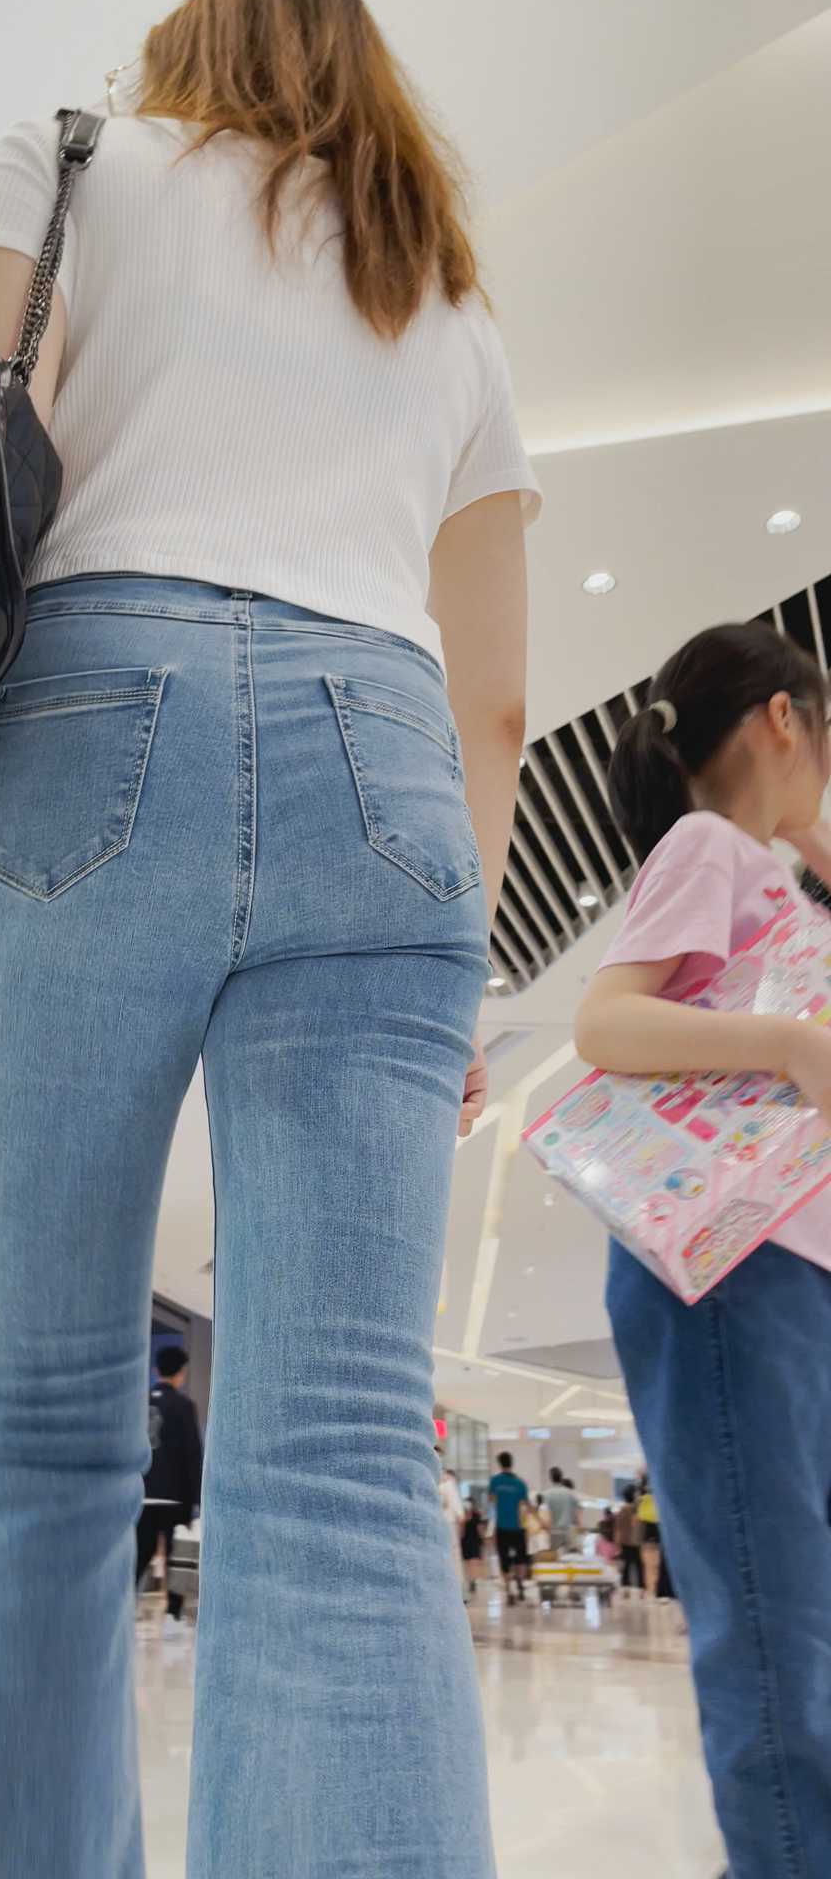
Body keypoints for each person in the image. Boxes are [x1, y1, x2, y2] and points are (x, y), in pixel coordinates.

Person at [0, 0, 537, 1871]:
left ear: (188, 54)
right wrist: (461, 981)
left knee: (34, 1423)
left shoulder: (78, 162)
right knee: (342, 1454)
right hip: (387, 765)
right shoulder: (451, 300)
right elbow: (500, 703)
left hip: (92, 710)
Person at [575, 619, 831, 1878]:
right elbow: (606, 1023)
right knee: (778, 1628)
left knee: (797, 1620)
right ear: (786, 718)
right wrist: (788, 1045)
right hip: (732, 1264)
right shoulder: (706, 846)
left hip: (779, 1264)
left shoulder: (775, 876)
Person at [136, 1345, 204, 1627]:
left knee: (141, 1550)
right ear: (181, 1373)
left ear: (156, 1370)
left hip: (143, 1492)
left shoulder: (140, 1403)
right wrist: (196, 1498)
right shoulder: (184, 1406)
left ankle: (125, 1602)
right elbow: (192, 1454)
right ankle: (173, 1614)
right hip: (175, 1495)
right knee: (177, 1556)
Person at [488, 1452, 530, 1603]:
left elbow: (491, 1502)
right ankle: (520, 1583)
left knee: (504, 1559)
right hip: (518, 1527)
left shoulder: (495, 1481)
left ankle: (509, 1591)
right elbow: (525, 1506)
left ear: (500, 1463)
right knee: (521, 1558)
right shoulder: (520, 1483)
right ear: (512, 1463)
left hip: (501, 1526)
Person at [542, 1466, 579, 1553]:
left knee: (554, 1557)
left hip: (554, 1531)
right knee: (569, 1557)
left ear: (550, 1478)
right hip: (568, 1531)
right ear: (561, 1477)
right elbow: (576, 1515)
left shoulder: (546, 1494)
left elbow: (546, 1516)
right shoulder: (570, 1494)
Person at [614, 1484, 643, 1593]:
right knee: (639, 1569)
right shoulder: (637, 1510)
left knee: (625, 1570)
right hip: (637, 1543)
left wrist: (617, 1544)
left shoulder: (622, 1511)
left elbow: (618, 1530)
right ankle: (640, 1592)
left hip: (625, 1543)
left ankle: (625, 1592)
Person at [636, 1476, 662, 1598]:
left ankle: (650, 1589)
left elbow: (639, 1518)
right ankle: (654, 1588)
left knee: (648, 1566)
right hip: (656, 1536)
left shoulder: (642, 1500)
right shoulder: (658, 1499)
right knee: (655, 1565)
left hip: (646, 1537)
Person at [461, 1498, 486, 1595]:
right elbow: (462, 1532)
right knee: (468, 1563)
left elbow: (480, 1529)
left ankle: (473, 1581)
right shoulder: (463, 1516)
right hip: (466, 1541)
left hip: (473, 1541)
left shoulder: (476, 1515)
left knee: (472, 1563)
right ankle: (470, 1580)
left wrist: (482, 1539)